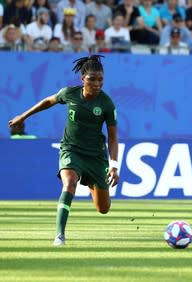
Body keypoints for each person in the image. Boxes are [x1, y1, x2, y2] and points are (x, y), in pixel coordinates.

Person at [8, 55, 119, 246]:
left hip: (95, 156)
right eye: (92, 79)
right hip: (71, 150)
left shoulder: (107, 103)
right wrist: (23, 116)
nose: (97, 83)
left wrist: (114, 166)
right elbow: (47, 102)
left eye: (100, 79)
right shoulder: (70, 93)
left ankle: (91, 182)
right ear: (82, 79)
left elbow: (113, 137)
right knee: (69, 184)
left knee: (103, 208)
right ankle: (59, 235)